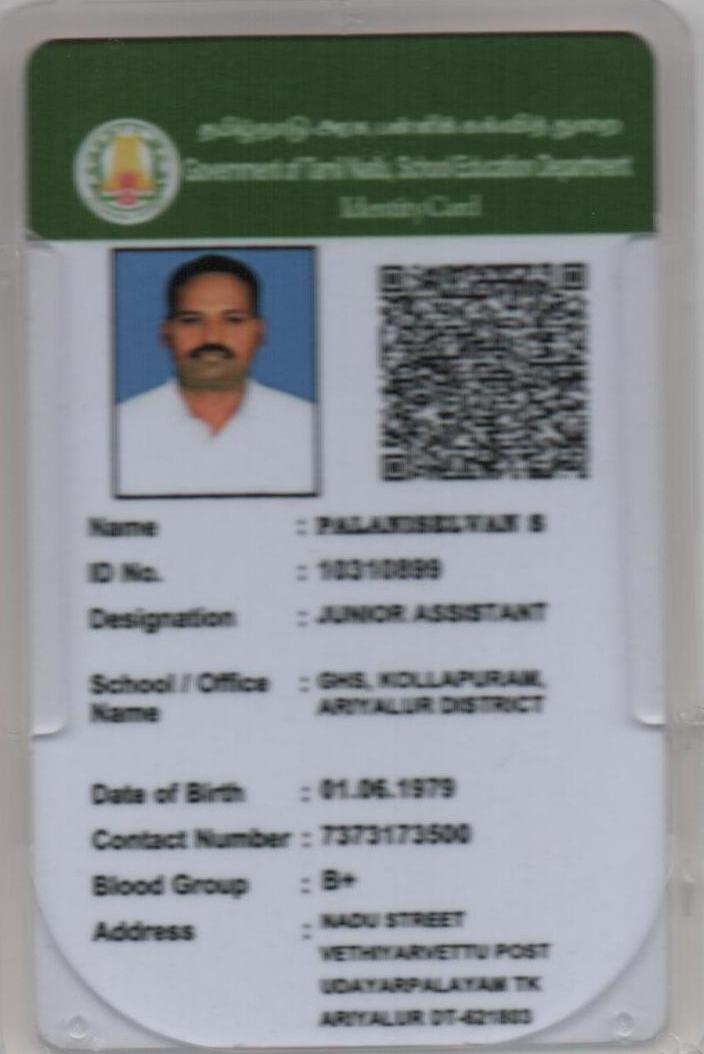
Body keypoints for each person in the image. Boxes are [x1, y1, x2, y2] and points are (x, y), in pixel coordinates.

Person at [117, 254, 315, 495]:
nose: (212, 337)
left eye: (233, 320)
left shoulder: (309, 428)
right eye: (191, 320)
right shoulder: (120, 428)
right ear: (166, 333)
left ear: (260, 332)